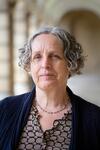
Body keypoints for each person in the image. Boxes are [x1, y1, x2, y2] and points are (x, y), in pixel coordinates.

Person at [0, 26, 100, 150]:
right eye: (37, 57)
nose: (45, 65)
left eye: (54, 56)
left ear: (70, 63)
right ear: (29, 65)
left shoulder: (95, 119)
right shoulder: (4, 109)